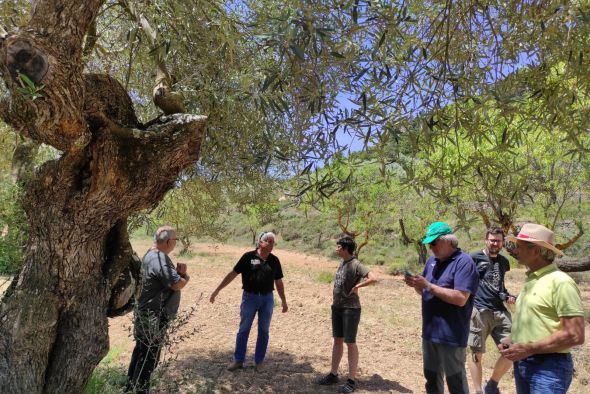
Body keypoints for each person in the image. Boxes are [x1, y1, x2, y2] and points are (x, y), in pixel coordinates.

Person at [499, 223, 585, 394]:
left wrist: (529, 348)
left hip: (549, 367)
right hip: (524, 364)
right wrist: (513, 338)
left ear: (536, 251)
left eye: (519, 247)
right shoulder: (531, 280)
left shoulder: (561, 282)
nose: (514, 251)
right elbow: (540, 321)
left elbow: (575, 335)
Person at [404, 221, 479, 394]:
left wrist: (429, 286)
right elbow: (425, 292)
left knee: (456, 384)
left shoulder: (464, 262)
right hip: (430, 333)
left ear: (448, 241)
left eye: (434, 242)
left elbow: (461, 298)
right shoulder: (431, 261)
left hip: (451, 335)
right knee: (431, 381)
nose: (431, 247)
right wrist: (416, 285)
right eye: (429, 243)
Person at [209, 231, 288, 371]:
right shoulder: (248, 257)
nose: (270, 244)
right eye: (268, 241)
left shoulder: (274, 260)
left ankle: (259, 362)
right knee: (244, 329)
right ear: (260, 242)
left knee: (264, 330)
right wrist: (217, 290)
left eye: (272, 242)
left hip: (267, 299)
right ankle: (238, 360)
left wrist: (283, 300)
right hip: (249, 298)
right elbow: (233, 274)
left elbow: (279, 281)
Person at [126, 226, 189, 394]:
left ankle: (130, 389)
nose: (176, 243)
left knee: (141, 354)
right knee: (147, 360)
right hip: (154, 318)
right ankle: (138, 390)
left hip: (147, 315)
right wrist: (184, 276)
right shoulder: (158, 258)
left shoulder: (151, 255)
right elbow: (177, 284)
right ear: (168, 242)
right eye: (175, 240)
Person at [317, 236, 377, 393]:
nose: (336, 248)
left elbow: (373, 278)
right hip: (337, 307)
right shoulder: (342, 263)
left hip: (350, 309)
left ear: (345, 248)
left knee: (350, 343)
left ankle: (351, 380)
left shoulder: (356, 264)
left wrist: (358, 285)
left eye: (338, 246)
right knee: (337, 341)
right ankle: (333, 374)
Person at [467, 228, 516, 394]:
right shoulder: (473, 258)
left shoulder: (503, 261)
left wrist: (508, 296)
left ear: (503, 243)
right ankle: (478, 390)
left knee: (512, 349)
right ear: (485, 240)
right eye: (492, 240)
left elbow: (499, 284)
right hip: (479, 310)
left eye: (498, 241)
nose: (495, 243)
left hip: (500, 311)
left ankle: (492, 385)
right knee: (476, 353)